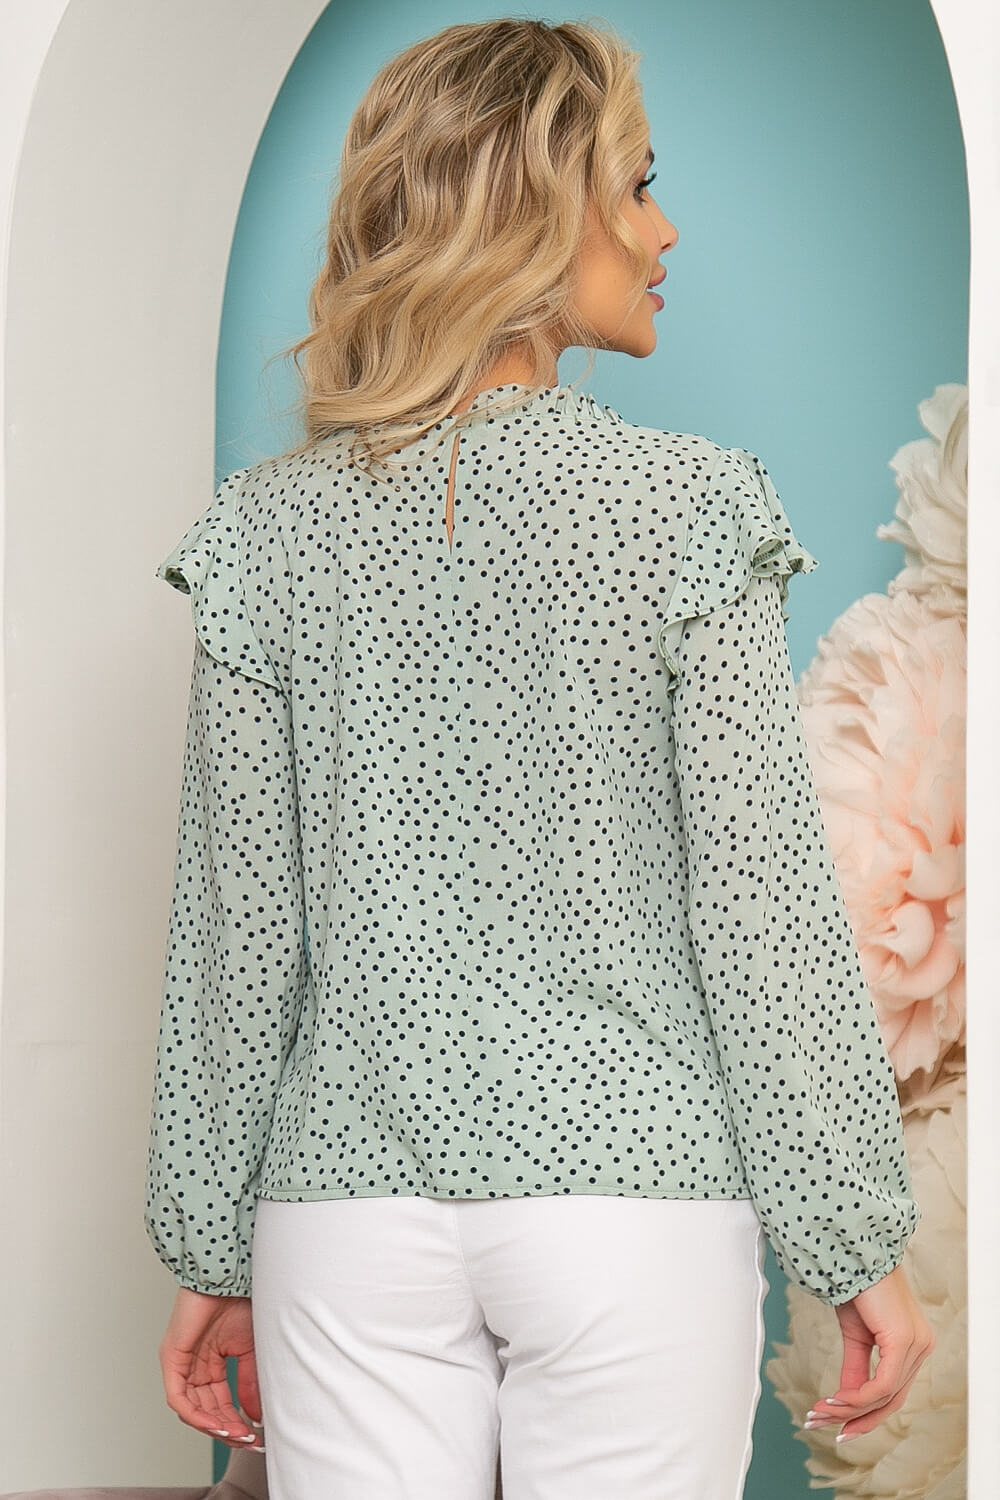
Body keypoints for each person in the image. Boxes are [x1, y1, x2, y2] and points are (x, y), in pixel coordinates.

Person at [145, 16, 935, 1500]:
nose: (665, 230)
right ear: (532, 210)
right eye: (636, 185)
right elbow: (761, 913)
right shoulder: (691, 509)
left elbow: (238, 940)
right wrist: (851, 1239)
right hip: (632, 1206)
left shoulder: (263, 534)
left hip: (343, 1209)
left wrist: (208, 1245)